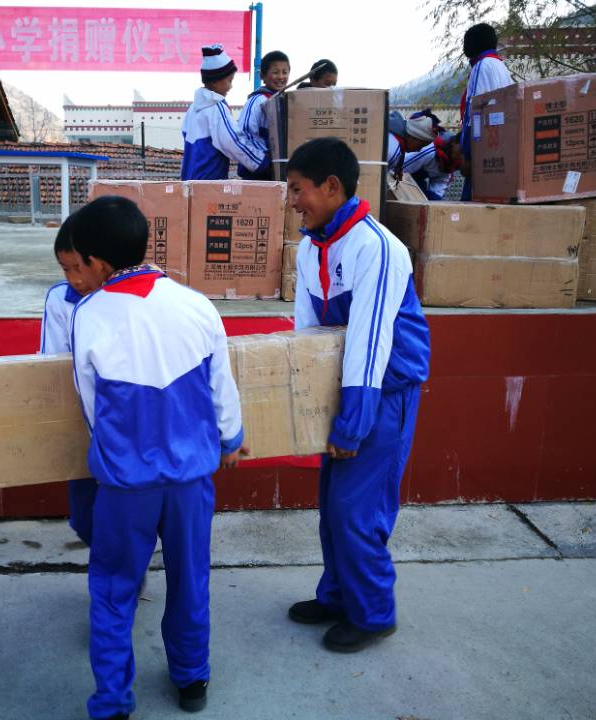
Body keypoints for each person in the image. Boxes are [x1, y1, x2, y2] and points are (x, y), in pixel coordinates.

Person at [68, 195, 246, 719]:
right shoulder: (197, 304)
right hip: (191, 482)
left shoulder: (88, 314)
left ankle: (112, 701)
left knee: (113, 591)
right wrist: (231, 440)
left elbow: (90, 405)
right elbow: (222, 389)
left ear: (98, 262)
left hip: (126, 486)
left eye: (80, 263)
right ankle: (192, 678)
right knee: (190, 580)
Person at [284, 138, 430, 653]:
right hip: (344, 389)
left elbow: (369, 342)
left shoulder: (377, 247)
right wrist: (305, 406)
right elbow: (306, 333)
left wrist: (353, 423)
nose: (292, 201)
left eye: (297, 189)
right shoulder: (311, 247)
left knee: (357, 510)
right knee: (333, 505)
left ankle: (373, 614)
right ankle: (337, 595)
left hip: (382, 393)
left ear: (331, 186)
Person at [40, 213, 100, 546]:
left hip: (120, 422)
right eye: (66, 269)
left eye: (79, 267)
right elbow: (51, 361)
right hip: (80, 421)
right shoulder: (60, 299)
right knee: (85, 518)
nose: (74, 279)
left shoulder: (121, 300)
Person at [181, 44, 270, 180]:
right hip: (210, 183)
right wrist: (262, 162)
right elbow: (233, 141)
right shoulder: (217, 108)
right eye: (229, 80)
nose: (231, 86)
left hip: (189, 180)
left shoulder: (192, 110)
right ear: (215, 82)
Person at [459, 23, 514, 200]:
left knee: (471, 203)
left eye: (465, 42)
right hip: (499, 147)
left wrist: (468, 153)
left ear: (474, 43)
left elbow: (474, 111)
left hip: (483, 150)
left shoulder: (481, 66)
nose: (464, 48)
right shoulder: (501, 67)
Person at [238, 50, 290, 180]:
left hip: (278, 173)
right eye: (275, 72)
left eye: (285, 72)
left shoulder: (286, 101)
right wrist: (265, 163)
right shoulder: (256, 101)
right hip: (257, 174)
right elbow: (244, 134)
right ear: (262, 76)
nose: (281, 77)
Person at [402, 131, 463, 200]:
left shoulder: (452, 164)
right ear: (454, 143)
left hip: (419, 179)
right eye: (461, 150)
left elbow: (441, 182)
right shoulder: (429, 151)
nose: (462, 156)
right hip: (404, 172)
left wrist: (435, 199)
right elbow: (400, 166)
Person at [387, 112, 435, 181]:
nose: (418, 150)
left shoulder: (393, 136)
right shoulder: (393, 150)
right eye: (420, 146)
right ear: (414, 137)